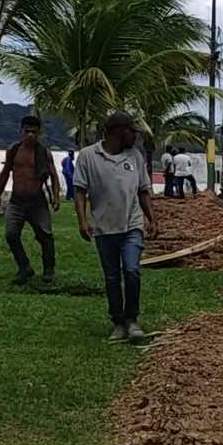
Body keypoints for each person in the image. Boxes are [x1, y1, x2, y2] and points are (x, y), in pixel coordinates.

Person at [75, 112, 158, 343]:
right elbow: (80, 191)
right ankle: (118, 322)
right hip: (104, 227)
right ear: (119, 131)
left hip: (132, 224)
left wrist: (152, 219)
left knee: (131, 270)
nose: (136, 137)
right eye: (132, 132)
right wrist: (82, 220)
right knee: (112, 277)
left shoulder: (135, 156)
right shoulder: (88, 156)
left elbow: (143, 190)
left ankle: (132, 320)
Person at [0, 115, 61, 285]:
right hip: (17, 201)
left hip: (37, 201)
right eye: (27, 131)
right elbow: (5, 172)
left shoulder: (44, 152)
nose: (30, 135)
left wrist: (56, 197)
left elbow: (54, 176)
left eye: (34, 132)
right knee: (11, 234)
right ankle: (24, 267)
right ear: (21, 131)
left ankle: (48, 269)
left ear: (39, 133)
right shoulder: (14, 150)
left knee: (45, 235)